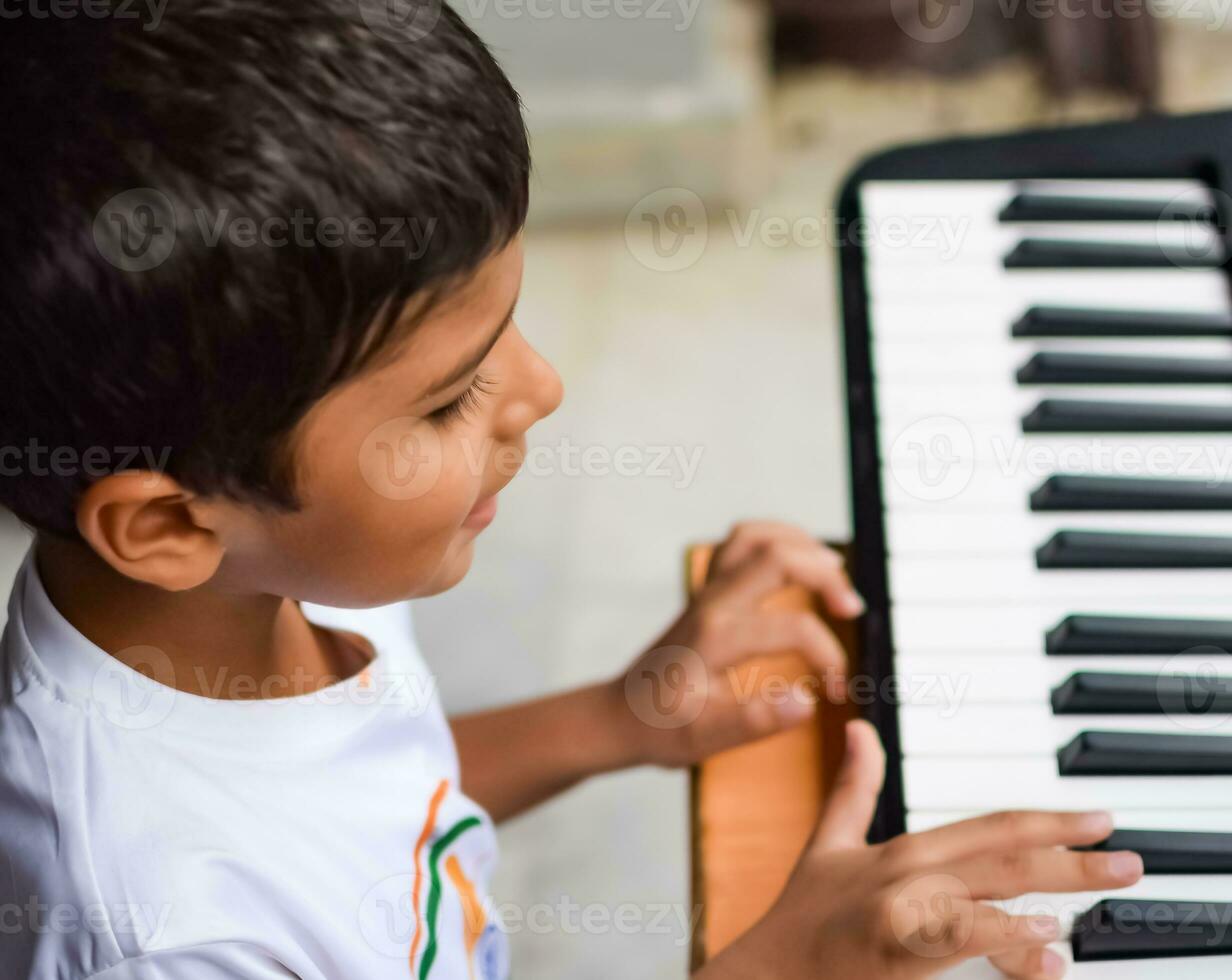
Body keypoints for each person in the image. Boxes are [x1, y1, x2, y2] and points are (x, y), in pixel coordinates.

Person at [0, 2, 1142, 978]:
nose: (537, 389)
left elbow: (367, 803)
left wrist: (616, 718)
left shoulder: (265, 576)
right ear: (165, 523)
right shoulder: (174, 931)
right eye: (447, 400)